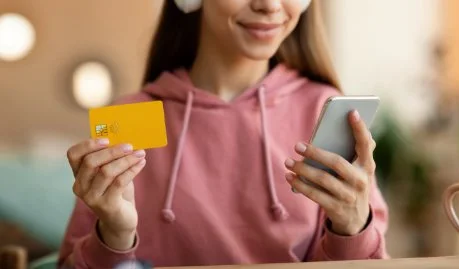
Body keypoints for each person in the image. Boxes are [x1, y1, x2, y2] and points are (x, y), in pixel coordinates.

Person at [58, 0, 389, 268]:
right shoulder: (130, 117)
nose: (270, 5)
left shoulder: (321, 109)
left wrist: (351, 228)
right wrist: (113, 235)